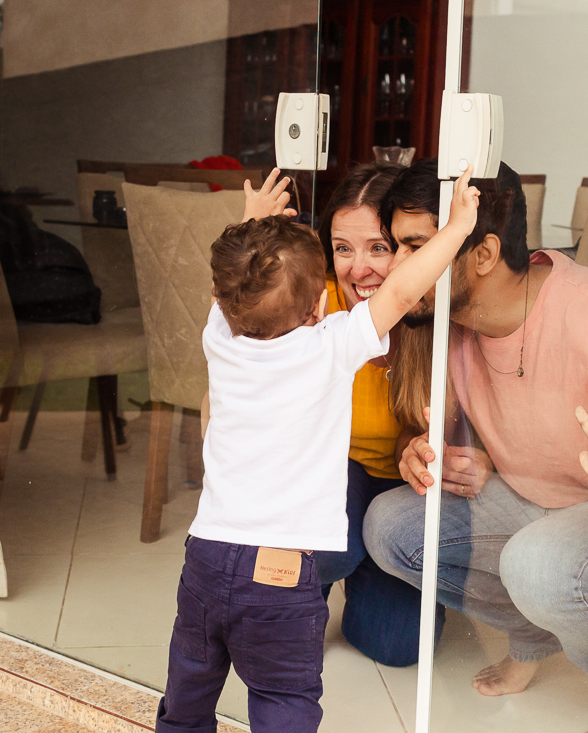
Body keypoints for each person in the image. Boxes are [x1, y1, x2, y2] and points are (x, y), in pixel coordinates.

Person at [155, 169, 480, 733]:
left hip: (205, 557)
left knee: (189, 681)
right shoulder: (330, 346)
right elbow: (403, 291)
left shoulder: (221, 339)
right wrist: (456, 229)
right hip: (279, 574)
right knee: (284, 697)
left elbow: (225, 286)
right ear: (318, 305)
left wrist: (251, 221)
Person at [363, 159, 588, 733]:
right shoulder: (447, 322)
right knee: (391, 527)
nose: (397, 268)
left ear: (482, 253)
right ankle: (536, 631)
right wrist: (423, 452)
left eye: (416, 247)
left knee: (539, 566)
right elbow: (440, 425)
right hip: (530, 501)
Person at [312, 163, 443, 666]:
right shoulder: (314, 305)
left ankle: (374, 564)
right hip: (337, 472)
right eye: (343, 248)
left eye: (379, 249)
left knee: (395, 646)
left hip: (403, 490)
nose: (358, 269)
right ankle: (340, 561)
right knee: (331, 549)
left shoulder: (435, 312)